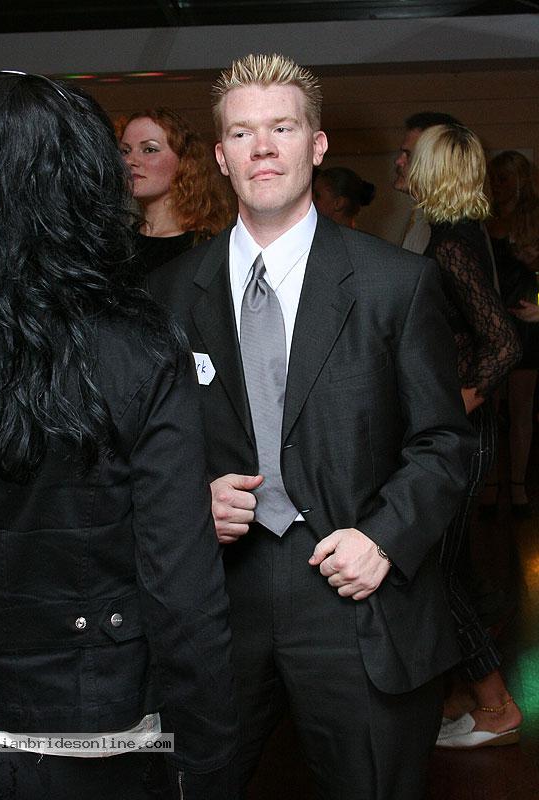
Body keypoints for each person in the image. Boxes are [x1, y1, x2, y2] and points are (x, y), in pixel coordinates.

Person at [150, 52, 476, 800]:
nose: (263, 147)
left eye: (283, 128)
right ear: (223, 156)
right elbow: (135, 447)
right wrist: (188, 501)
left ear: (317, 145)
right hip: (215, 600)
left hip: (354, 595)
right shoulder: (165, 295)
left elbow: (444, 442)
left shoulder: (396, 283)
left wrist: (384, 539)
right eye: (243, 133)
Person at [0, 71, 237, 800]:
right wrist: (205, 759)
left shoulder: (136, 343)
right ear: (88, 185)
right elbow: (181, 585)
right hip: (93, 719)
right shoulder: (140, 344)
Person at [407, 123, 522, 748]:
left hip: (459, 437)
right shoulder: (461, 233)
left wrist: (457, 405)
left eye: (411, 156)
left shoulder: (451, 244)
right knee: (447, 568)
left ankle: (496, 704)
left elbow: (503, 342)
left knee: (437, 575)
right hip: (462, 436)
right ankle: (459, 693)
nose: (401, 165)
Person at [481, 151, 539, 516]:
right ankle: (490, 484)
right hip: (490, 324)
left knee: (521, 409)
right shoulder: (483, 219)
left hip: (526, 323)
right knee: (490, 410)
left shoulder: (534, 217)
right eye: (495, 178)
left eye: (503, 178)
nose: (497, 185)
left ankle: (517, 486)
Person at [120, 107, 234, 272]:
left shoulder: (205, 248)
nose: (130, 160)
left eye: (149, 149)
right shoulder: (117, 243)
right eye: (125, 151)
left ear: (184, 161)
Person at [393, 111, 462, 253]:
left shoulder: (453, 232)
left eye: (409, 155)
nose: (399, 161)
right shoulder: (423, 216)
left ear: (437, 162)